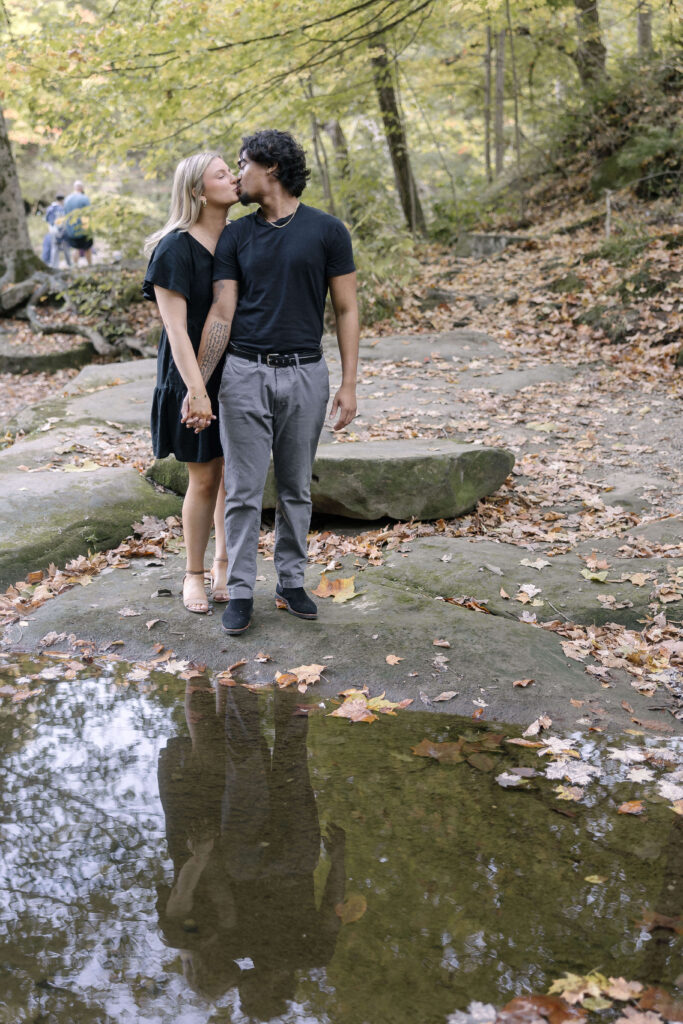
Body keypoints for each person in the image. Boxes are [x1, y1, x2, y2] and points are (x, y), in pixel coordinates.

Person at [192, 129, 359, 635]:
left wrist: (349, 384)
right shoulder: (237, 236)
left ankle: (290, 581)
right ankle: (240, 589)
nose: (237, 174)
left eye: (243, 164)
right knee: (242, 490)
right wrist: (198, 384)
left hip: (307, 373)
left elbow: (347, 309)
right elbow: (222, 311)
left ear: (273, 168)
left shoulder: (328, 231)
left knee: (294, 489)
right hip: (244, 373)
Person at [143, 153, 239, 613]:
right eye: (222, 174)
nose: (234, 177)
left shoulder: (240, 238)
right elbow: (175, 330)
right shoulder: (174, 248)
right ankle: (193, 575)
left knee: (229, 477)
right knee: (204, 478)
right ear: (198, 191)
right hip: (189, 375)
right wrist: (195, 390)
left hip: (237, 371)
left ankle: (225, 563)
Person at [63, 180, 94, 265]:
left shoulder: (67, 199)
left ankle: (76, 266)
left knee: (75, 249)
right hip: (84, 229)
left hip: (71, 229)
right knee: (87, 248)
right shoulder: (84, 198)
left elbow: (65, 215)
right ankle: (90, 265)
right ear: (82, 188)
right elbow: (88, 214)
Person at [44, 192, 71, 269]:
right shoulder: (64, 208)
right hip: (64, 230)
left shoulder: (50, 208)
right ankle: (69, 265)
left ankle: (54, 266)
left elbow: (47, 220)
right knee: (66, 248)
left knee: (54, 248)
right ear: (63, 200)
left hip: (53, 231)